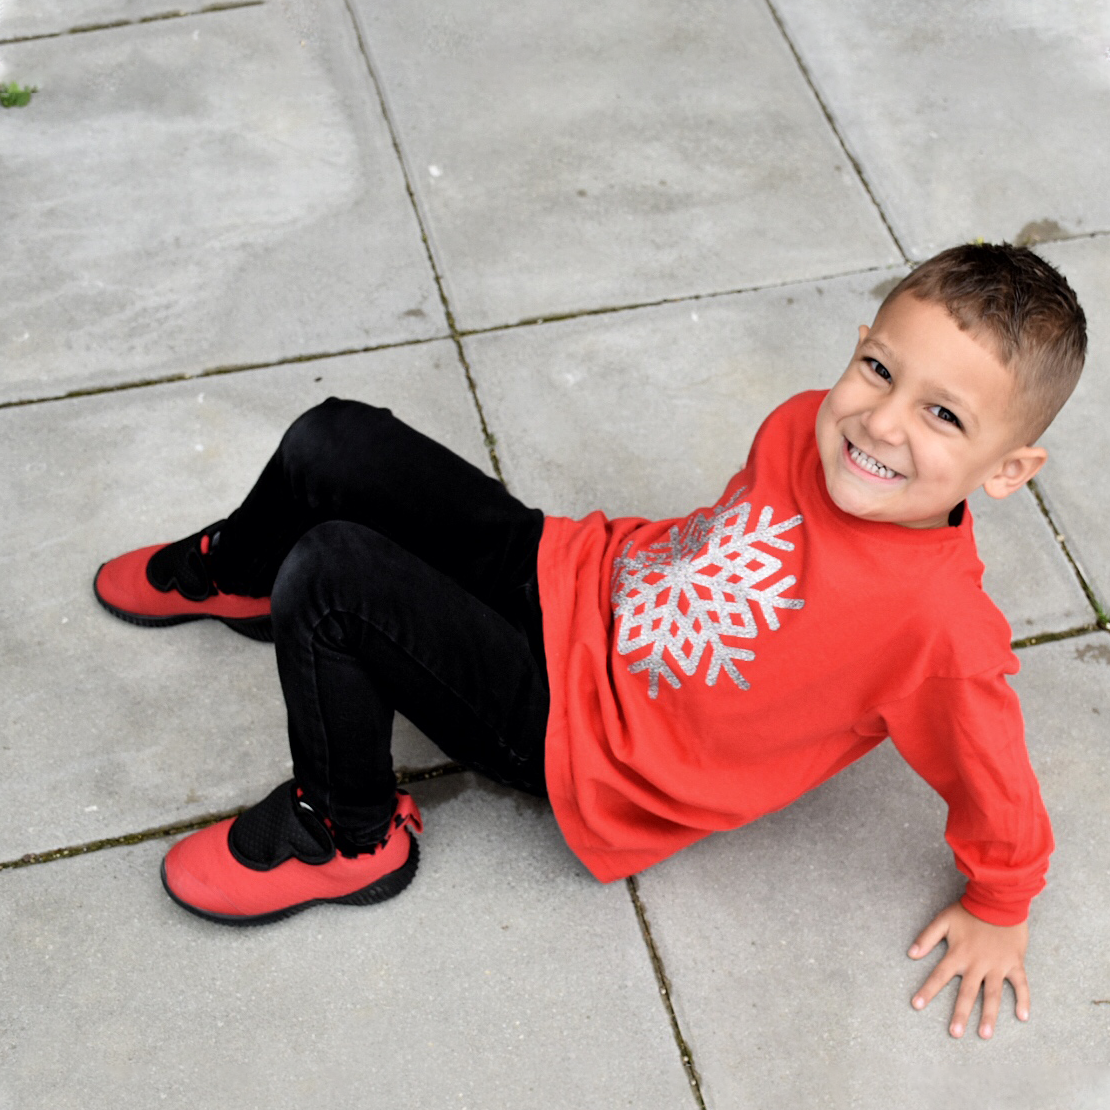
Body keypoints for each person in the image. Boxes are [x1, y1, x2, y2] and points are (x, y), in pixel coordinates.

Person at [93, 242, 1086, 1040]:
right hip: (580, 579)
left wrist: (1004, 900)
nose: (880, 421)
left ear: (1009, 470)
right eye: (877, 368)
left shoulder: (940, 630)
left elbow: (994, 772)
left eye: (944, 416)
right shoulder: (802, 427)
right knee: (333, 437)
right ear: (859, 342)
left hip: (588, 746)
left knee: (338, 579)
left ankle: (347, 831)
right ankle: (243, 573)